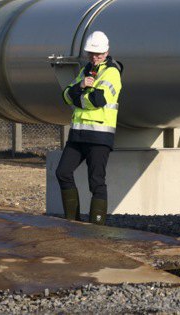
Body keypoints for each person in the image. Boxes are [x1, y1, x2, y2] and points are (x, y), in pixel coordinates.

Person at [55, 30, 123, 225]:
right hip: (78, 135)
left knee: (96, 182)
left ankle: (97, 227)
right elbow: (66, 95)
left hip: (100, 137)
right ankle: (73, 221)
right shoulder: (85, 71)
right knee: (63, 172)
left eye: (98, 54)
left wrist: (79, 96)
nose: (95, 58)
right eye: (91, 54)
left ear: (107, 51)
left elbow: (98, 99)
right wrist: (81, 86)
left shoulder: (112, 72)